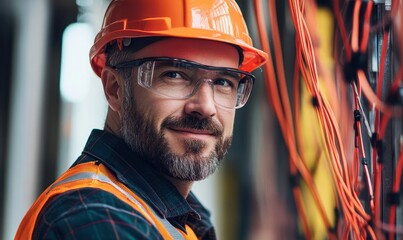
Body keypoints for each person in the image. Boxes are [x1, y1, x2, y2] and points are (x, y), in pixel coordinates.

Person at [16, 0, 267, 239]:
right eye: (175, 74)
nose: (205, 107)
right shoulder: (94, 216)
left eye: (224, 82)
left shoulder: (176, 217)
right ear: (115, 89)